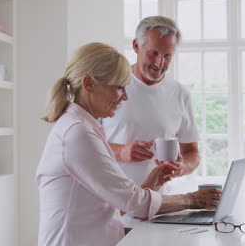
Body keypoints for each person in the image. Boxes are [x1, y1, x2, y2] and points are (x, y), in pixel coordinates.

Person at [35, 42, 222, 246]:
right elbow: (133, 202)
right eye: (119, 87)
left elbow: (115, 205)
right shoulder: (77, 133)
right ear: (88, 84)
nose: (125, 96)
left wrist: (154, 182)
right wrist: (193, 200)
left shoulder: (82, 128)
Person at [103, 16, 199, 187]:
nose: (159, 63)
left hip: (161, 204)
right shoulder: (109, 86)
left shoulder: (180, 93)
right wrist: (121, 152)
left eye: (167, 56)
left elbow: (192, 153)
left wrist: (181, 167)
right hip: (114, 203)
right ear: (136, 46)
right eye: (153, 53)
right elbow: (84, 145)